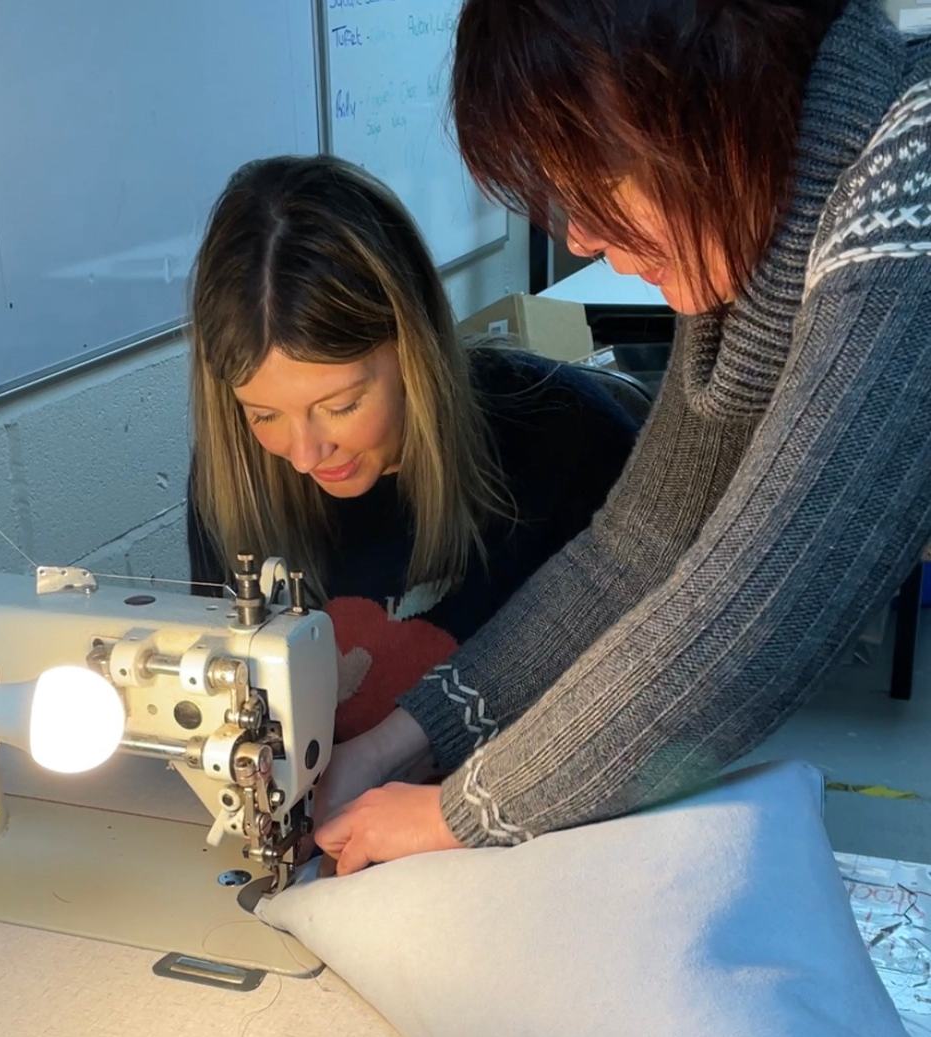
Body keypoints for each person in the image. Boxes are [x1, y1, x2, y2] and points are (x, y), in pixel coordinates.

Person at [315, 0, 931, 875]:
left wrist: (456, 815)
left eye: (599, 182)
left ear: (713, 95)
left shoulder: (913, 179)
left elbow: (751, 612)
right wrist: (393, 745)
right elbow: (638, 551)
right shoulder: (757, 252)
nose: (582, 237)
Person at [186, 155, 639, 745]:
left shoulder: (570, 437)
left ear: (412, 347)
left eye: (341, 405)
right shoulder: (235, 479)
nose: (304, 454)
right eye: (264, 415)